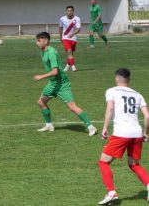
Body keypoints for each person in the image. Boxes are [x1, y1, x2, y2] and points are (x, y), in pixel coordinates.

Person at [98, 68, 149, 205]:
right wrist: (146, 133)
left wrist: (104, 128)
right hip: (137, 133)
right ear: (129, 80)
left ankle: (111, 192)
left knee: (103, 162)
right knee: (133, 164)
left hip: (121, 133)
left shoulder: (112, 91)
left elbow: (109, 108)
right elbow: (147, 116)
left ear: (116, 79)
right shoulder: (138, 94)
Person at [33, 32, 97, 135]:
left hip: (62, 83)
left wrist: (41, 76)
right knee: (41, 102)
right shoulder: (43, 52)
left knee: (72, 106)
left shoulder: (51, 52)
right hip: (53, 83)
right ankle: (49, 125)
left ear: (46, 41)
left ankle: (90, 127)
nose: (37, 43)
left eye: (39, 40)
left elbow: (55, 71)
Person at [58, 5, 80, 72]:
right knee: (69, 51)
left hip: (73, 38)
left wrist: (72, 34)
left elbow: (78, 29)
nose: (69, 12)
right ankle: (73, 67)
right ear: (66, 11)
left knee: (71, 53)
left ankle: (67, 66)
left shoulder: (77, 19)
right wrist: (60, 36)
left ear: (73, 11)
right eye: (68, 11)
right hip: (65, 38)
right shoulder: (62, 19)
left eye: (71, 11)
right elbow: (60, 28)